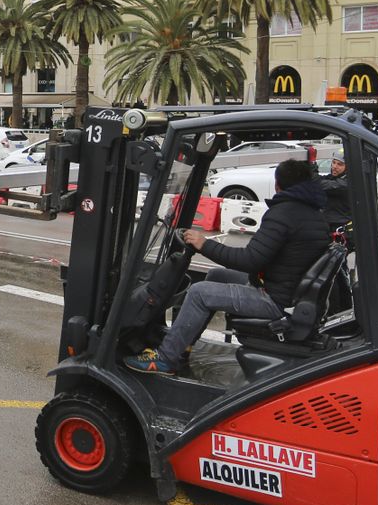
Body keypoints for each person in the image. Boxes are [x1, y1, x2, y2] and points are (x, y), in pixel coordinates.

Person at [126, 158, 329, 377]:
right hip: (285, 292)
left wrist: (205, 244)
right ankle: (182, 345)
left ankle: (166, 359)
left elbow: (249, 260)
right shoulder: (312, 213)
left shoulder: (284, 214)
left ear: (278, 184)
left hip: (275, 301)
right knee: (215, 275)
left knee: (198, 293)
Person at [319, 155, 353, 234]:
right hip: (330, 227)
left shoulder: (346, 183)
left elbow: (319, 184)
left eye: (339, 164)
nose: (334, 166)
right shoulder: (334, 178)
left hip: (342, 231)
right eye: (333, 162)